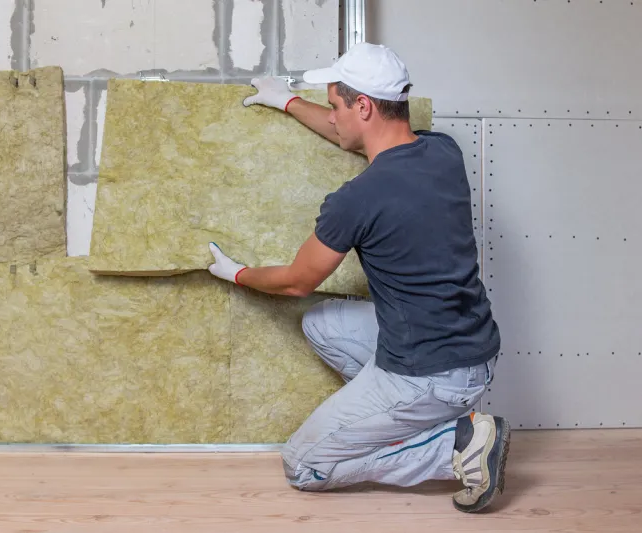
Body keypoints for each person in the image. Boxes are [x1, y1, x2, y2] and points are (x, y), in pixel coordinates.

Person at [206, 42, 508, 513]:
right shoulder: (442, 152)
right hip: (472, 353)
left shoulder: (357, 199)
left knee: (304, 466)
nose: (332, 117)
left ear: (363, 106)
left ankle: (454, 445)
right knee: (321, 323)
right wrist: (285, 100)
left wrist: (238, 274)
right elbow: (351, 133)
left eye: (335, 106)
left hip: (428, 373)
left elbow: (295, 282)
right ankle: (410, 416)